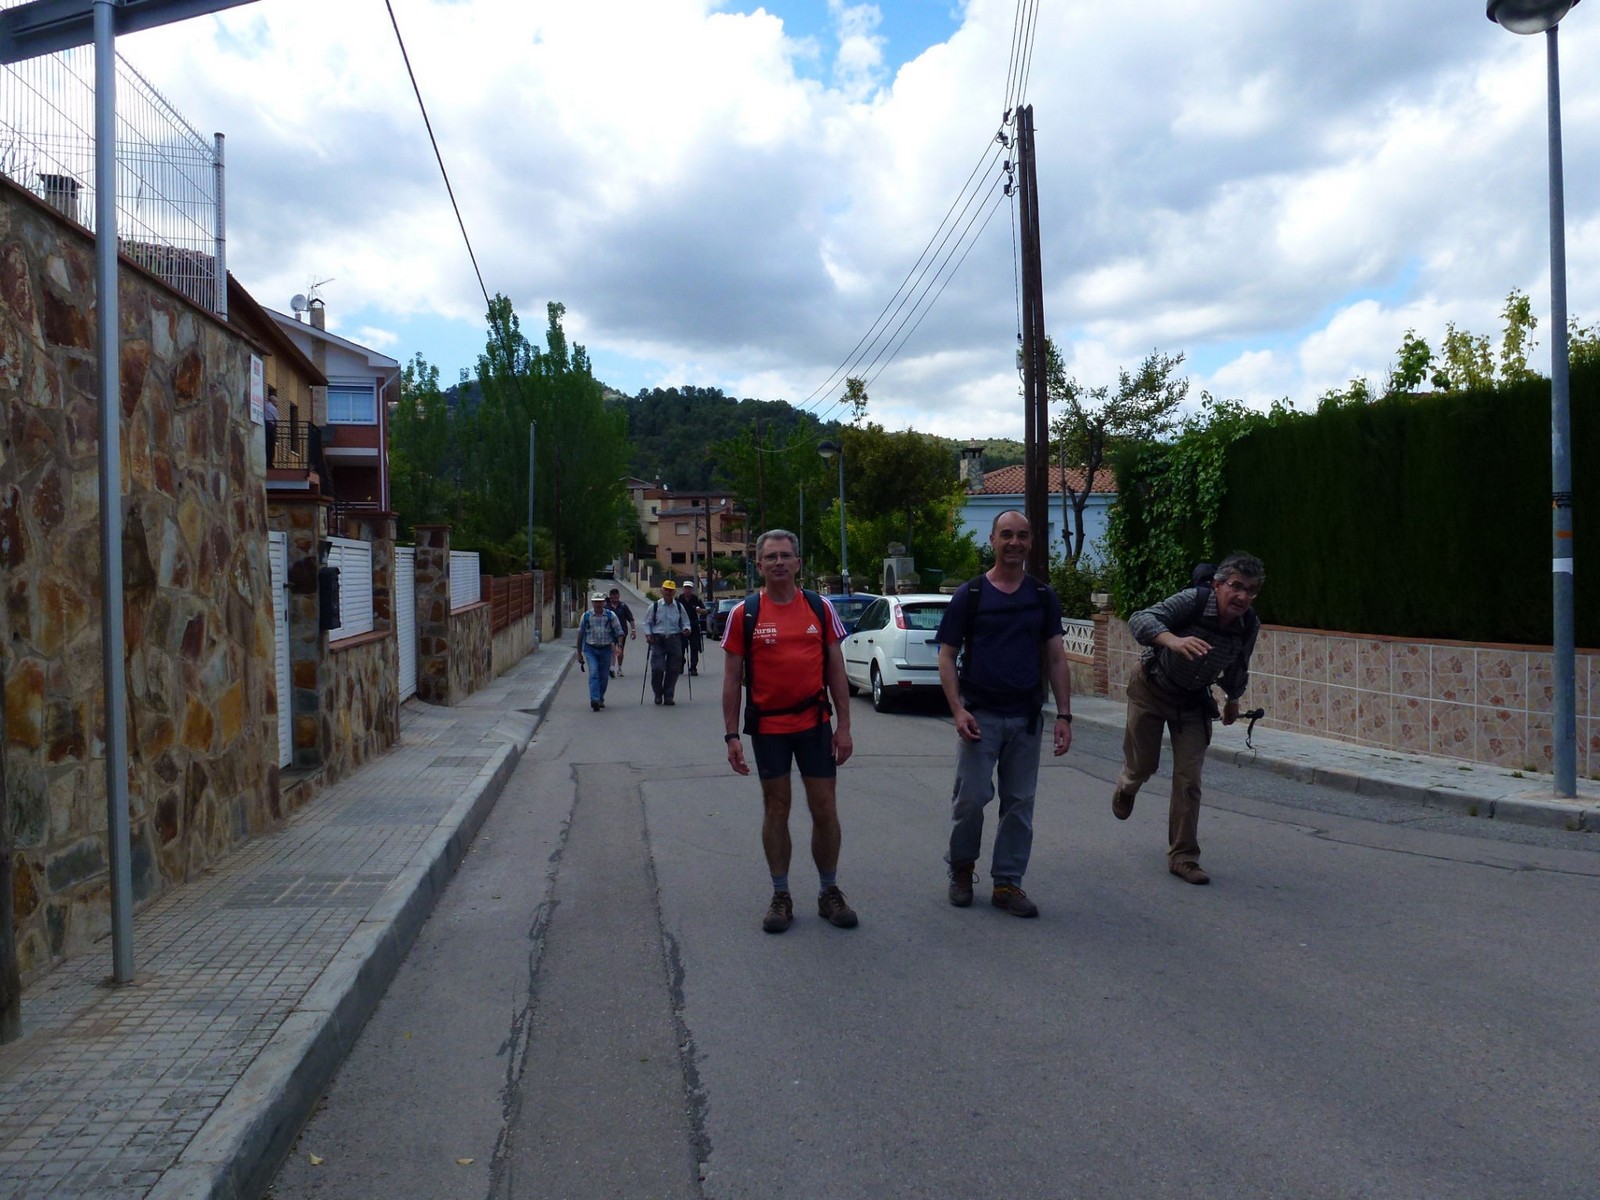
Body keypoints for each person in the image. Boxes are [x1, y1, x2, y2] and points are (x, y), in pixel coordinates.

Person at [933, 510, 1073, 919]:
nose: (1015, 543)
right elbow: (946, 655)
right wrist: (957, 710)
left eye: (1022, 536)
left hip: (1025, 717)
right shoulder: (971, 595)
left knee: (1019, 803)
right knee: (971, 798)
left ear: (1031, 542)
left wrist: (1064, 716)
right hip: (980, 716)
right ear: (992, 540)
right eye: (1007, 535)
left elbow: (1056, 657)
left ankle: (1007, 882)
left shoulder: (1042, 596)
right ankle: (962, 869)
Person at [721, 530, 857, 934]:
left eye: (785, 556)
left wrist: (844, 727)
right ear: (758, 565)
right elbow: (731, 679)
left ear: (798, 563)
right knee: (776, 808)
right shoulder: (744, 614)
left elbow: (836, 670)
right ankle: (780, 894)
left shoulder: (819, 607)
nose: (778, 562)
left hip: (815, 725)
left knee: (824, 808)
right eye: (770, 557)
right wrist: (731, 735)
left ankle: (829, 891)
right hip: (769, 728)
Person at [1112, 552, 1265, 885]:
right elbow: (1141, 619)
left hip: (1193, 702)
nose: (1243, 597)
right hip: (1151, 687)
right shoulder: (1193, 601)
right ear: (1218, 585)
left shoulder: (1248, 624)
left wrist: (1233, 700)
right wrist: (1173, 640)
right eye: (1236, 586)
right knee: (1143, 765)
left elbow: (1238, 665)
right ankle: (1127, 785)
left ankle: (1183, 857)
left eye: (1251, 590)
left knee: (1189, 780)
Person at [643, 580, 693, 705]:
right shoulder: (655, 606)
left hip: (674, 638)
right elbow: (647, 623)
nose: (668, 592)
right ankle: (658, 693)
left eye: (670, 590)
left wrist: (687, 629)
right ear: (662, 590)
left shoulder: (679, 607)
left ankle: (668, 695)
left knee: (674, 668)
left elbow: (685, 622)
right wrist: (648, 634)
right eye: (666, 589)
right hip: (658, 639)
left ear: (674, 592)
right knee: (657, 668)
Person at [575, 593, 624, 712]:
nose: (598, 604)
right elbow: (580, 634)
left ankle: (600, 697)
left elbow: (619, 631)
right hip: (590, 648)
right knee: (593, 673)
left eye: (600, 601)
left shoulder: (610, 616)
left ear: (604, 602)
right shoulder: (586, 616)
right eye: (596, 602)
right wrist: (579, 653)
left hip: (606, 649)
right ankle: (595, 699)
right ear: (592, 602)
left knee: (603, 676)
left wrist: (619, 646)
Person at [605, 587, 637, 676]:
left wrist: (633, 630)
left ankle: (619, 668)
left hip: (622, 633)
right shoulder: (606, 607)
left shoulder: (623, 606)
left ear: (619, 596)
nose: (615, 598)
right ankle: (612, 668)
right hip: (610, 632)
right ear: (610, 596)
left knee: (620, 650)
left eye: (616, 596)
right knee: (612, 649)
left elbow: (630, 619)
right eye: (613, 596)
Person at [678, 579, 707, 675]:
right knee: (680, 648)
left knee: (694, 647)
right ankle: (681, 664)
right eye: (686, 588)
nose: (687, 590)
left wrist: (700, 610)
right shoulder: (678, 599)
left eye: (689, 588)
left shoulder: (696, 599)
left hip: (694, 626)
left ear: (692, 589)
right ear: (683, 589)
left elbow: (705, 611)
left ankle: (693, 667)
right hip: (681, 627)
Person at [264, 387, 279, 469]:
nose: (277, 404)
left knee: (266, 445)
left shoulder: (264, 405)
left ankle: (265, 461)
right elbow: (276, 420)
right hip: (270, 426)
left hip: (263, 426)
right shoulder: (273, 408)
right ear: (273, 401)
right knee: (271, 446)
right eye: (276, 402)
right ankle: (269, 463)